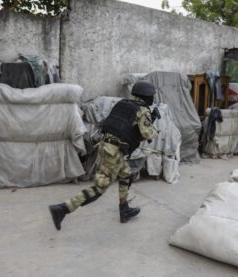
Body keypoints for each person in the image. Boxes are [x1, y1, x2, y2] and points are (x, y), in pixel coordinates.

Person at [48, 81, 160, 230]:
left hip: (107, 146)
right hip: (114, 151)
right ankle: (63, 209)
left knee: (126, 174)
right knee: (99, 188)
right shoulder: (142, 110)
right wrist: (154, 124)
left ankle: (124, 209)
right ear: (147, 96)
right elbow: (147, 134)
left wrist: (148, 119)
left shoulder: (123, 104)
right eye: (151, 96)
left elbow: (125, 126)